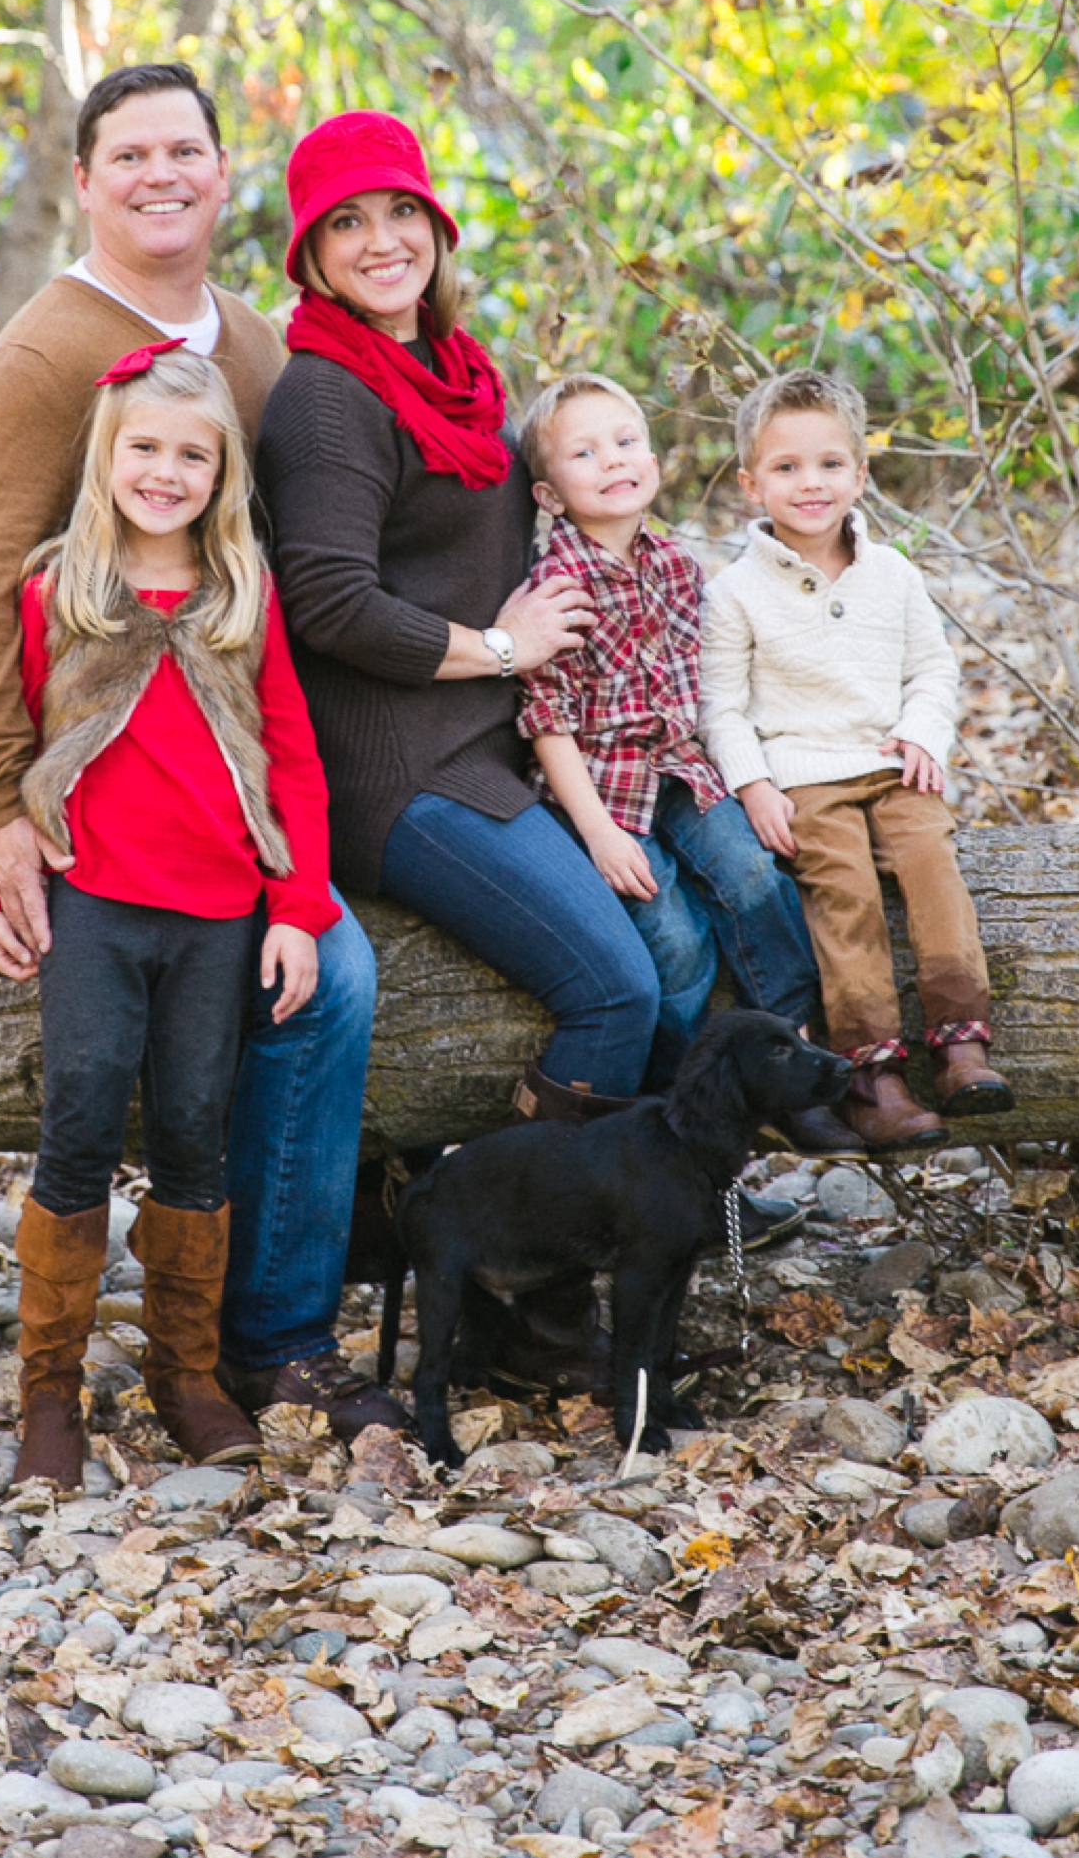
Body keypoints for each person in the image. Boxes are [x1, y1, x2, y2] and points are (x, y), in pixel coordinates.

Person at [0, 61, 402, 1444]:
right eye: (127, 154)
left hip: (252, 784)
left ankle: (264, 1306)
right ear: (84, 180)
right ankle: (272, 1337)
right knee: (333, 990)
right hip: (110, 816)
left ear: (222, 171)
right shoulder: (47, 356)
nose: (160, 175)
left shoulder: (252, 342)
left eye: (184, 150)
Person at [257, 112, 704, 1394]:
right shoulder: (326, 399)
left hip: (493, 742)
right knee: (612, 987)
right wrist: (498, 650)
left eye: (397, 211)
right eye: (344, 223)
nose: (378, 240)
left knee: (690, 926)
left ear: (436, 225)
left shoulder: (457, 368)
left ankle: (650, 1241)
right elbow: (327, 603)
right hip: (399, 768)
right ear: (310, 256)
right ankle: (518, 1290)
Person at [0, 344, 338, 1489]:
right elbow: (12, 754)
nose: (165, 471)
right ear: (106, 455)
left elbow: (292, 762)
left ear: (222, 470)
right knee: (76, 1120)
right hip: (95, 907)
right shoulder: (59, 589)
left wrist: (296, 909)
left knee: (191, 1129)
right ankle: (49, 1389)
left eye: (191, 452)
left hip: (217, 912)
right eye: (145, 448)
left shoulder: (240, 597)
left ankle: (186, 1371)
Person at [509, 370, 855, 1167]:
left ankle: (793, 1055)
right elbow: (547, 721)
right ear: (550, 493)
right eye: (585, 453)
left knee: (755, 877)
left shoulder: (676, 565)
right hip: (603, 794)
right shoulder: (555, 587)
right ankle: (687, 1096)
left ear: (655, 460)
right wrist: (595, 833)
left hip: (682, 771)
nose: (614, 461)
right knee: (673, 936)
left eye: (627, 442)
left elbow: (715, 689)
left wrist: (760, 775)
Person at [699, 366, 1017, 1147]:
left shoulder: (894, 574)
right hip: (805, 782)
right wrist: (756, 786)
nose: (811, 483)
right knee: (844, 896)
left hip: (890, 765)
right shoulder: (734, 591)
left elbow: (934, 669)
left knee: (932, 861)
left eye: (830, 464)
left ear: (861, 474)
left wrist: (922, 733)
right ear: (750, 484)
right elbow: (722, 706)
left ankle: (961, 1041)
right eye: (786, 467)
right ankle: (872, 1075)